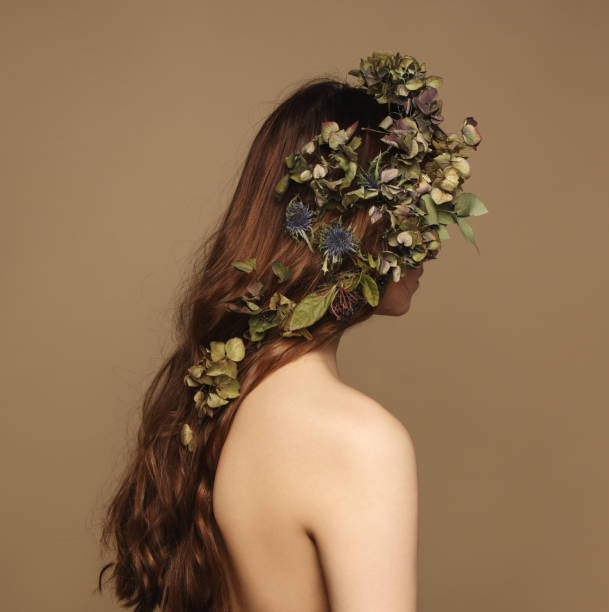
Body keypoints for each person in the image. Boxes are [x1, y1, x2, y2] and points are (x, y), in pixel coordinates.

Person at [98, 52, 483, 611]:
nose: (433, 241)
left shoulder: (222, 408)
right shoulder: (360, 442)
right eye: (412, 213)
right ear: (351, 221)